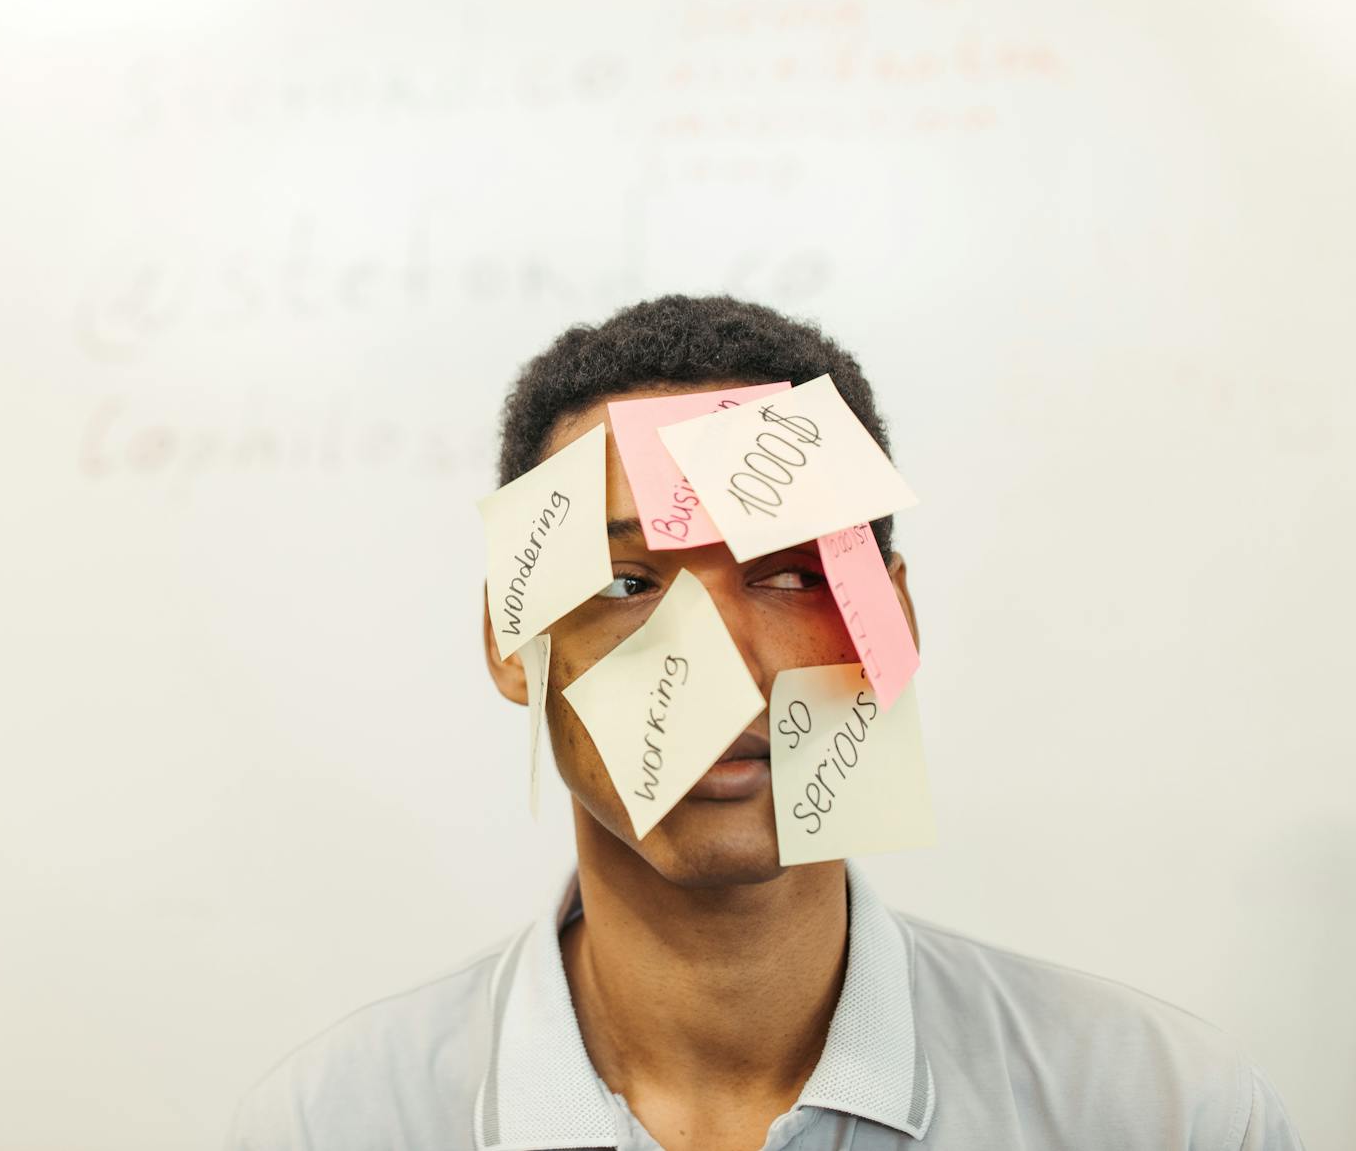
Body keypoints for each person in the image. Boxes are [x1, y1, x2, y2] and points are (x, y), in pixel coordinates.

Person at [225, 296, 1303, 1150]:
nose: (724, 668)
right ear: (511, 643)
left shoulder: (1167, 1115)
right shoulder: (332, 1125)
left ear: (894, 619)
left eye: (791, 572)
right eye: (629, 582)